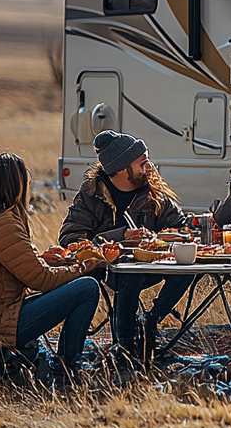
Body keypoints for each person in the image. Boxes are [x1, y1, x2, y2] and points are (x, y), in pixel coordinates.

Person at [0, 152, 102, 377]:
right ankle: (68, 367)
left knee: (80, 285)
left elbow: (6, 267)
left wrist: (44, 260)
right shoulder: (3, 223)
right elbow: (41, 280)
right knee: (87, 287)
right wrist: (83, 267)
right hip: (0, 325)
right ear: (15, 185)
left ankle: (66, 362)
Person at [58, 130, 188, 360]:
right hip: (108, 269)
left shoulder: (154, 191)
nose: (149, 168)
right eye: (142, 163)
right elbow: (70, 239)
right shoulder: (91, 195)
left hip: (154, 265)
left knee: (189, 262)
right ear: (120, 168)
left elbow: (182, 228)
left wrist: (165, 237)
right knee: (131, 273)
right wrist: (121, 235)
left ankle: (151, 321)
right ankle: (125, 347)